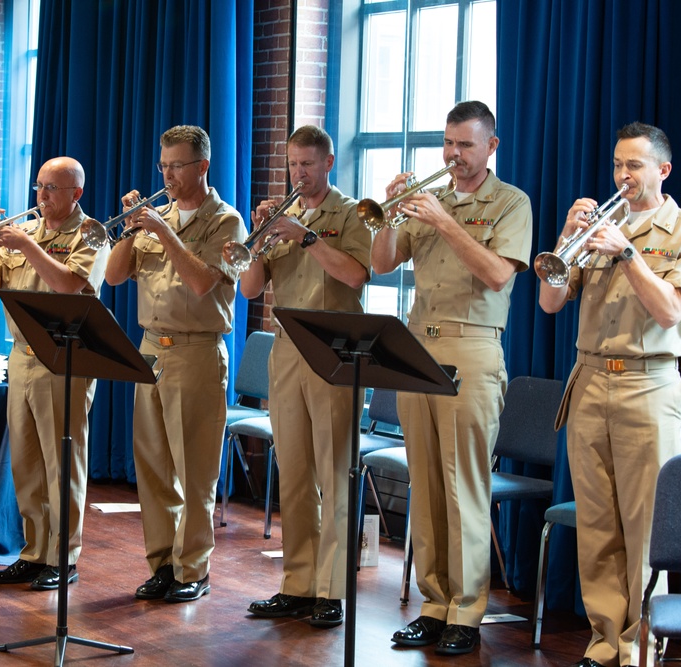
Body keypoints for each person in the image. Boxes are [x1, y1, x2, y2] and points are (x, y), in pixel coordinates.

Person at [538, 122, 681, 667]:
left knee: (645, 525)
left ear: (662, 170)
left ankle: (641, 648)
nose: (622, 176)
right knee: (597, 523)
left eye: (634, 166)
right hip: (589, 379)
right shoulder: (599, 226)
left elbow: (670, 312)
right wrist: (566, 239)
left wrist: (627, 254)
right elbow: (548, 303)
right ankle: (604, 641)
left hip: (648, 384)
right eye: (618, 165)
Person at [371, 101, 533, 656]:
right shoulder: (429, 197)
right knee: (427, 482)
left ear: (491, 146)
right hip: (417, 342)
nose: (453, 156)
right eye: (448, 144)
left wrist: (443, 220)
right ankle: (434, 603)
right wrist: (391, 213)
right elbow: (383, 263)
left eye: (465, 145)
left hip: (472, 346)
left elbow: (494, 274)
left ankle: (468, 610)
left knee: (464, 483)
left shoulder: (511, 203)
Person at [105, 125, 245, 603]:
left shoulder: (225, 221)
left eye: (176, 166)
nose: (167, 175)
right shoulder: (154, 215)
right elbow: (114, 275)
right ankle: (162, 562)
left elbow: (204, 283)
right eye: (162, 166)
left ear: (202, 166)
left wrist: (164, 232)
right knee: (154, 469)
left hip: (196, 351)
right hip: (150, 349)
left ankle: (193, 570)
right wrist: (131, 227)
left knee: (194, 468)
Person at [242, 126, 371, 628]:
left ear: (328, 163)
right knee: (293, 471)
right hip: (286, 350)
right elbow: (252, 289)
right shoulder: (283, 215)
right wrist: (258, 241)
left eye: (308, 164)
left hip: (336, 353)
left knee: (334, 473)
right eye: (293, 164)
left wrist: (308, 237)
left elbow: (357, 275)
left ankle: (331, 590)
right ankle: (297, 583)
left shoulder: (352, 213)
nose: (299, 173)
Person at [0, 157, 108, 591]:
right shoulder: (28, 231)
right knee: (27, 463)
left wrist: (27, 247)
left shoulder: (90, 233)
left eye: (52, 188)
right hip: (22, 355)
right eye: (39, 187)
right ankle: (34, 552)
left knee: (62, 463)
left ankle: (63, 556)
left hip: (64, 358)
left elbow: (69, 285)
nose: (42, 196)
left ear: (76, 193)